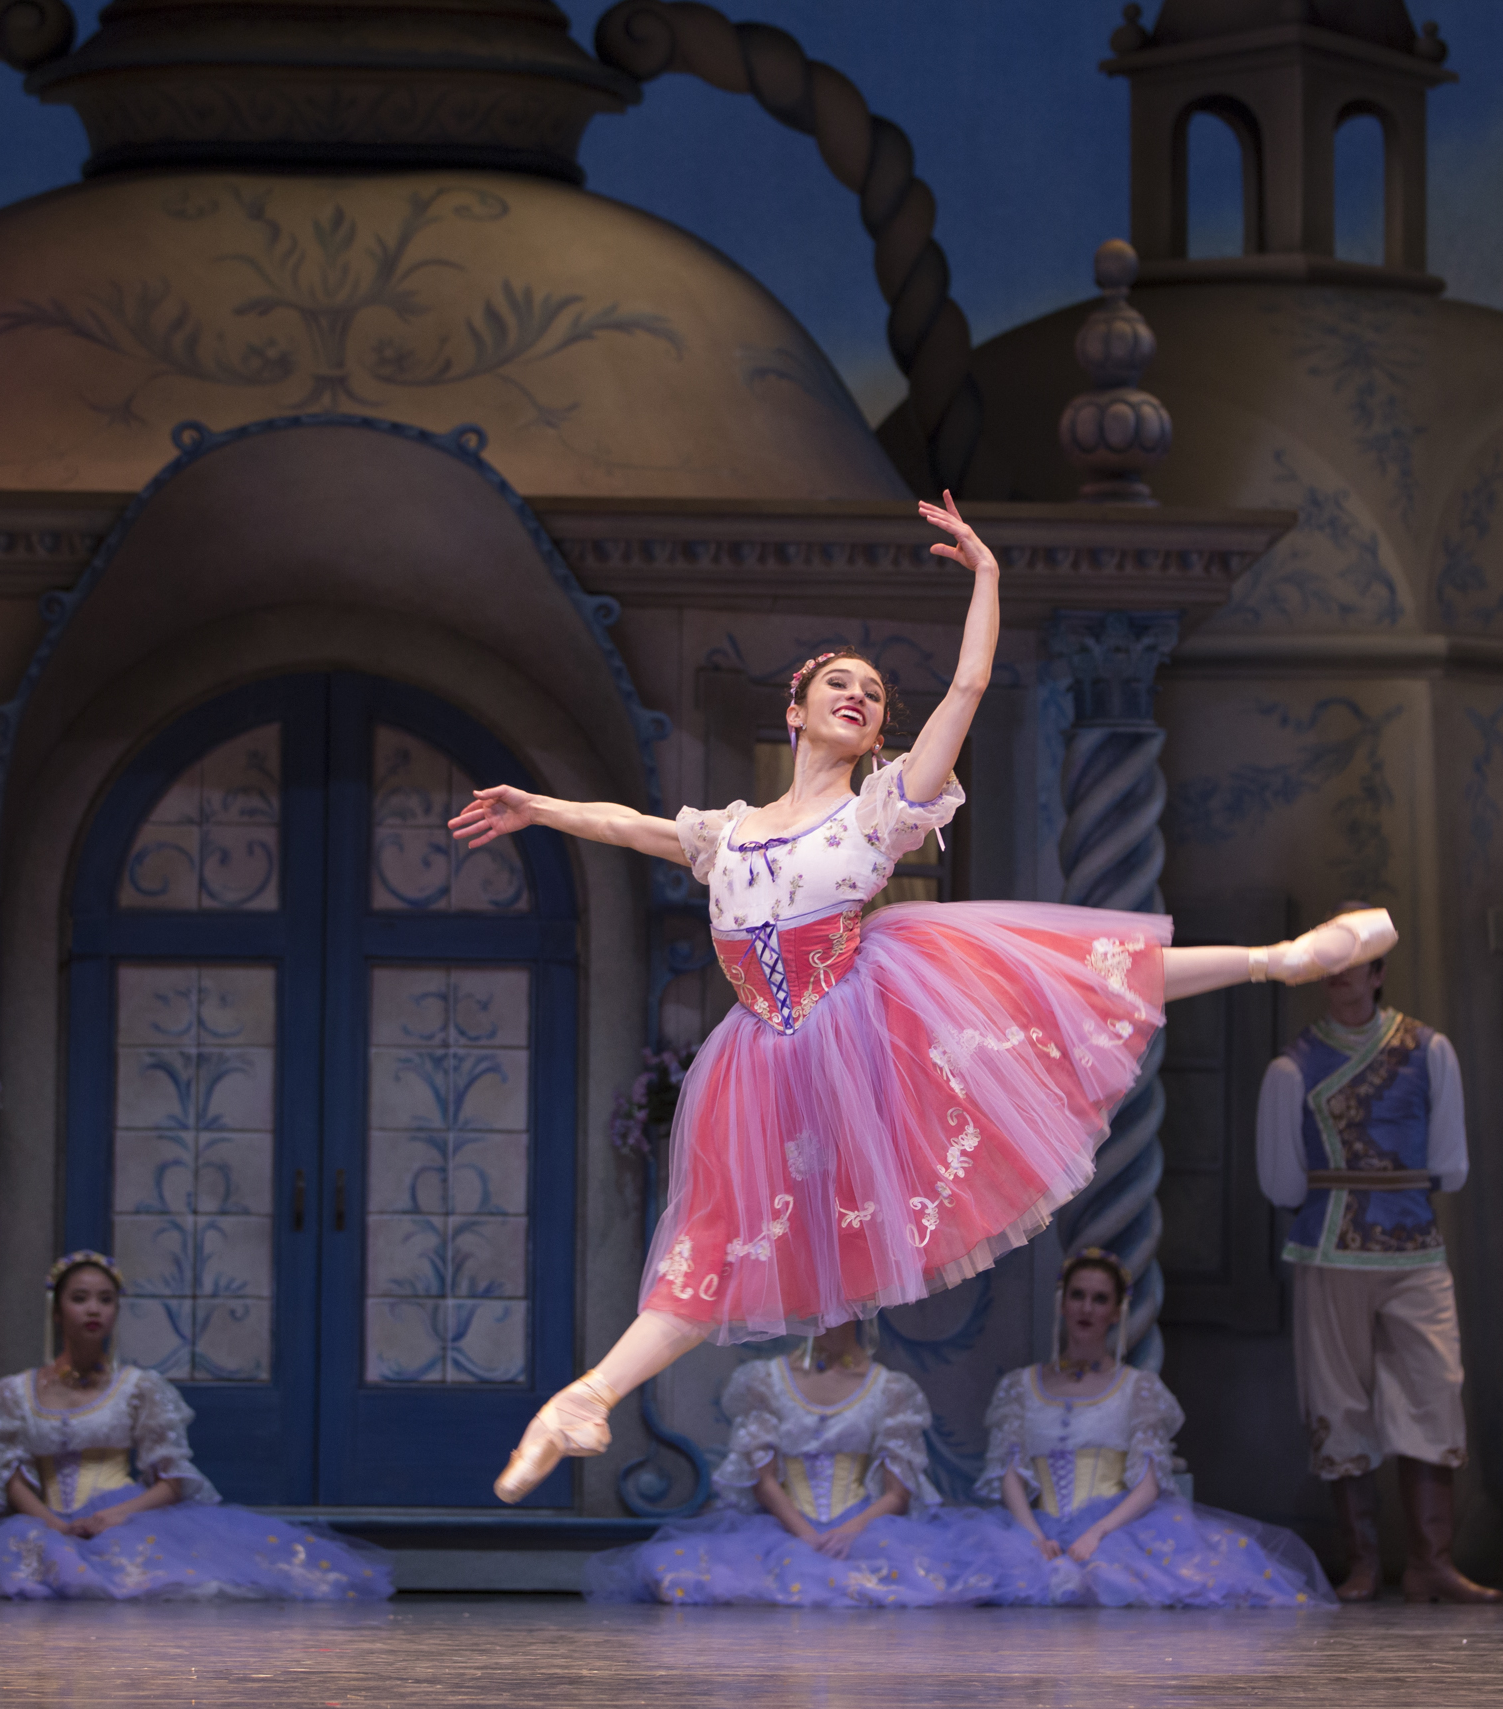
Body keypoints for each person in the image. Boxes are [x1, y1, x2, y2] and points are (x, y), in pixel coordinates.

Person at [451, 490, 1396, 1502]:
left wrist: (988, 576)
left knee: (1060, 981)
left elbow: (970, 684)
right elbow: (629, 826)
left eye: (872, 692)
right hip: (765, 1059)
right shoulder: (728, 832)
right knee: (718, 1249)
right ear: (796, 709)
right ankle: (585, 1396)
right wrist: (535, 806)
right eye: (838, 684)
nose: (859, 696)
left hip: (869, 1023)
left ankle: (1276, 960)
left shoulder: (878, 813)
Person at [1254, 913, 1499, 1604]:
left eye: (1352, 965)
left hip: (1413, 1243)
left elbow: (1449, 1162)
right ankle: (1363, 1562)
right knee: (1338, 1401)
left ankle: (1431, 1560)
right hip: (1329, 1247)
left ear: (1378, 972)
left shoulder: (1429, 1050)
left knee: (1432, 1389)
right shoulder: (1293, 1065)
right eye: (1329, 967)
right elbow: (1281, 1181)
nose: (1341, 979)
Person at [0, 1250, 393, 1600]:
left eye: (105, 1300)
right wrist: (56, 1524)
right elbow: (8, 1474)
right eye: (80, 1298)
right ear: (56, 1308)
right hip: (46, 1519)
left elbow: (173, 1478)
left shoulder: (139, 1387)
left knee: (142, 1578)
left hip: (121, 1514)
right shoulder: (16, 1391)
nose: (93, 1309)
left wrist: (112, 1517)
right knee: (38, 1568)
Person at [974, 1247, 1328, 1607]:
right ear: (1062, 1302)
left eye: (1099, 1299)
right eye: (1077, 1295)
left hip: (1113, 1531)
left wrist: (1097, 1532)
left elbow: (1147, 1485)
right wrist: (1033, 1536)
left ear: (1116, 1312)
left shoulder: (1136, 1389)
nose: (1085, 1307)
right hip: (1039, 1529)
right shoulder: (1021, 1386)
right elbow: (1010, 1473)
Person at [582, 1320, 991, 1606]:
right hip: (785, 1526)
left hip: (859, 1528)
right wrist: (808, 1537)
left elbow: (898, 1492)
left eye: (845, 1303)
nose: (832, 1314)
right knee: (680, 1577)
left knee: (931, 1583)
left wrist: (846, 1533)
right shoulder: (766, 1380)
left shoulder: (891, 1388)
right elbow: (764, 1482)